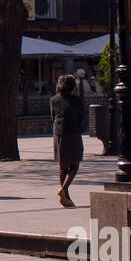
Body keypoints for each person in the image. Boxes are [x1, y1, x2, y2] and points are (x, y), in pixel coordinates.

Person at [50, 74, 83, 208]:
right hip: (73, 133)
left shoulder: (53, 99)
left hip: (58, 133)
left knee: (63, 167)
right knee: (74, 164)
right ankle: (64, 189)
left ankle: (66, 196)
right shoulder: (76, 100)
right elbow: (81, 116)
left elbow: (52, 116)